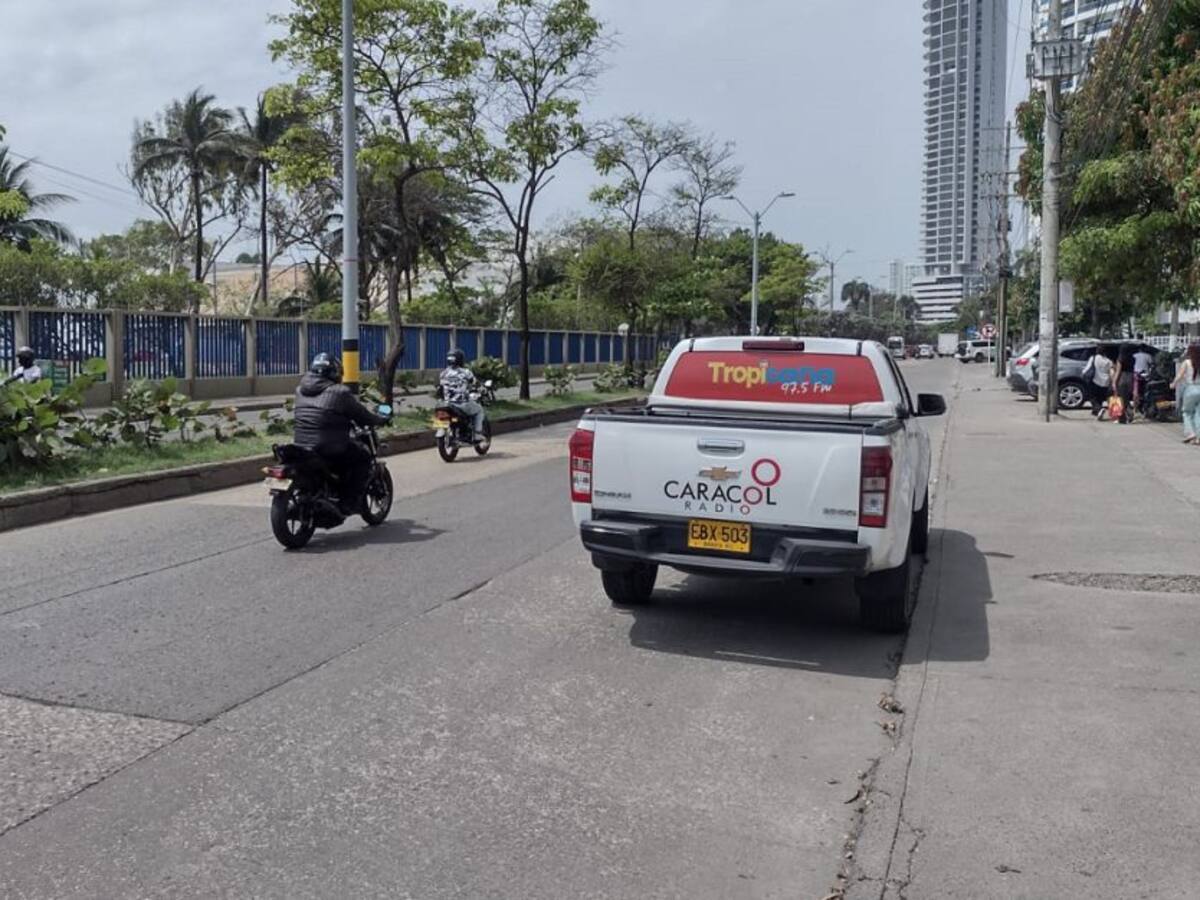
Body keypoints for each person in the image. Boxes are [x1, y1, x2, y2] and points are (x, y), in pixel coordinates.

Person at [292, 352, 390, 513]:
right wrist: (380, 419)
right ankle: (348, 502)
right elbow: (363, 416)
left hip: (301, 445)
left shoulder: (299, 390)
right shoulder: (340, 392)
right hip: (329, 447)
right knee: (363, 458)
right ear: (335, 373)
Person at [438, 348, 486, 444]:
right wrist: (483, 389)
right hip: (462, 404)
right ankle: (477, 435)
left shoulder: (443, 373)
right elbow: (476, 384)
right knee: (479, 410)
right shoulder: (465, 372)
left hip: (447, 403)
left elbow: (441, 388)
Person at [1172, 343, 1200, 444]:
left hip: (1191, 389)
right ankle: (1198, 436)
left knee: (1187, 412)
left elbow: (1179, 375)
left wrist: (1174, 384)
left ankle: (1190, 433)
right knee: (1198, 413)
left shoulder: (1187, 362)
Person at [1082, 345, 1114, 418]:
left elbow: (1088, 368)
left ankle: (1099, 409)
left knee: (1092, 397)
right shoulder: (1109, 361)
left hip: (1095, 380)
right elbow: (1111, 372)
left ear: (1097, 351)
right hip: (1106, 382)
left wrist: (1083, 374)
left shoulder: (1093, 358)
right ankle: (1096, 412)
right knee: (1100, 398)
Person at [1110, 344, 1137, 424]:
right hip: (1130, 378)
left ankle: (1123, 418)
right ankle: (1128, 414)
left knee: (1120, 399)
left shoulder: (1120, 359)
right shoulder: (1133, 359)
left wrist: (1114, 382)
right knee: (1126, 398)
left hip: (1122, 378)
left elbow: (1118, 371)